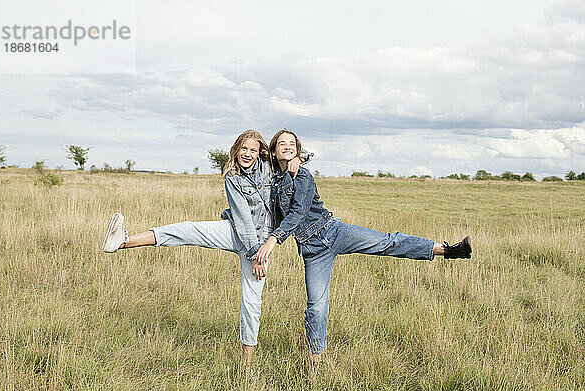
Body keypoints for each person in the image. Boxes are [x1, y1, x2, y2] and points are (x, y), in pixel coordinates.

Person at [101, 129, 308, 374]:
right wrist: (255, 254)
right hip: (239, 234)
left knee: (251, 302)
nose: (248, 154)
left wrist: (300, 158)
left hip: (262, 243)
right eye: (244, 149)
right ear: (236, 150)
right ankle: (123, 241)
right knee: (188, 230)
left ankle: (247, 366)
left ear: (260, 152)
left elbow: (289, 153)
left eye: (253, 149)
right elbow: (242, 219)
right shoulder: (232, 179)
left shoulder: (266, 165)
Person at [255, 129, 472, 364]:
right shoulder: (272, 180)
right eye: (282, 144)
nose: (287, 147)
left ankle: (449, 251)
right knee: (316, 306)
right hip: (312, 250)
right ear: (274, 151)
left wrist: (272, 240)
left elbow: (298, 213)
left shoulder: (304, 176)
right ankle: (316, 362)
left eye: (292, 144)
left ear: (297, 149)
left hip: (333, 232)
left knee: (387, 241)